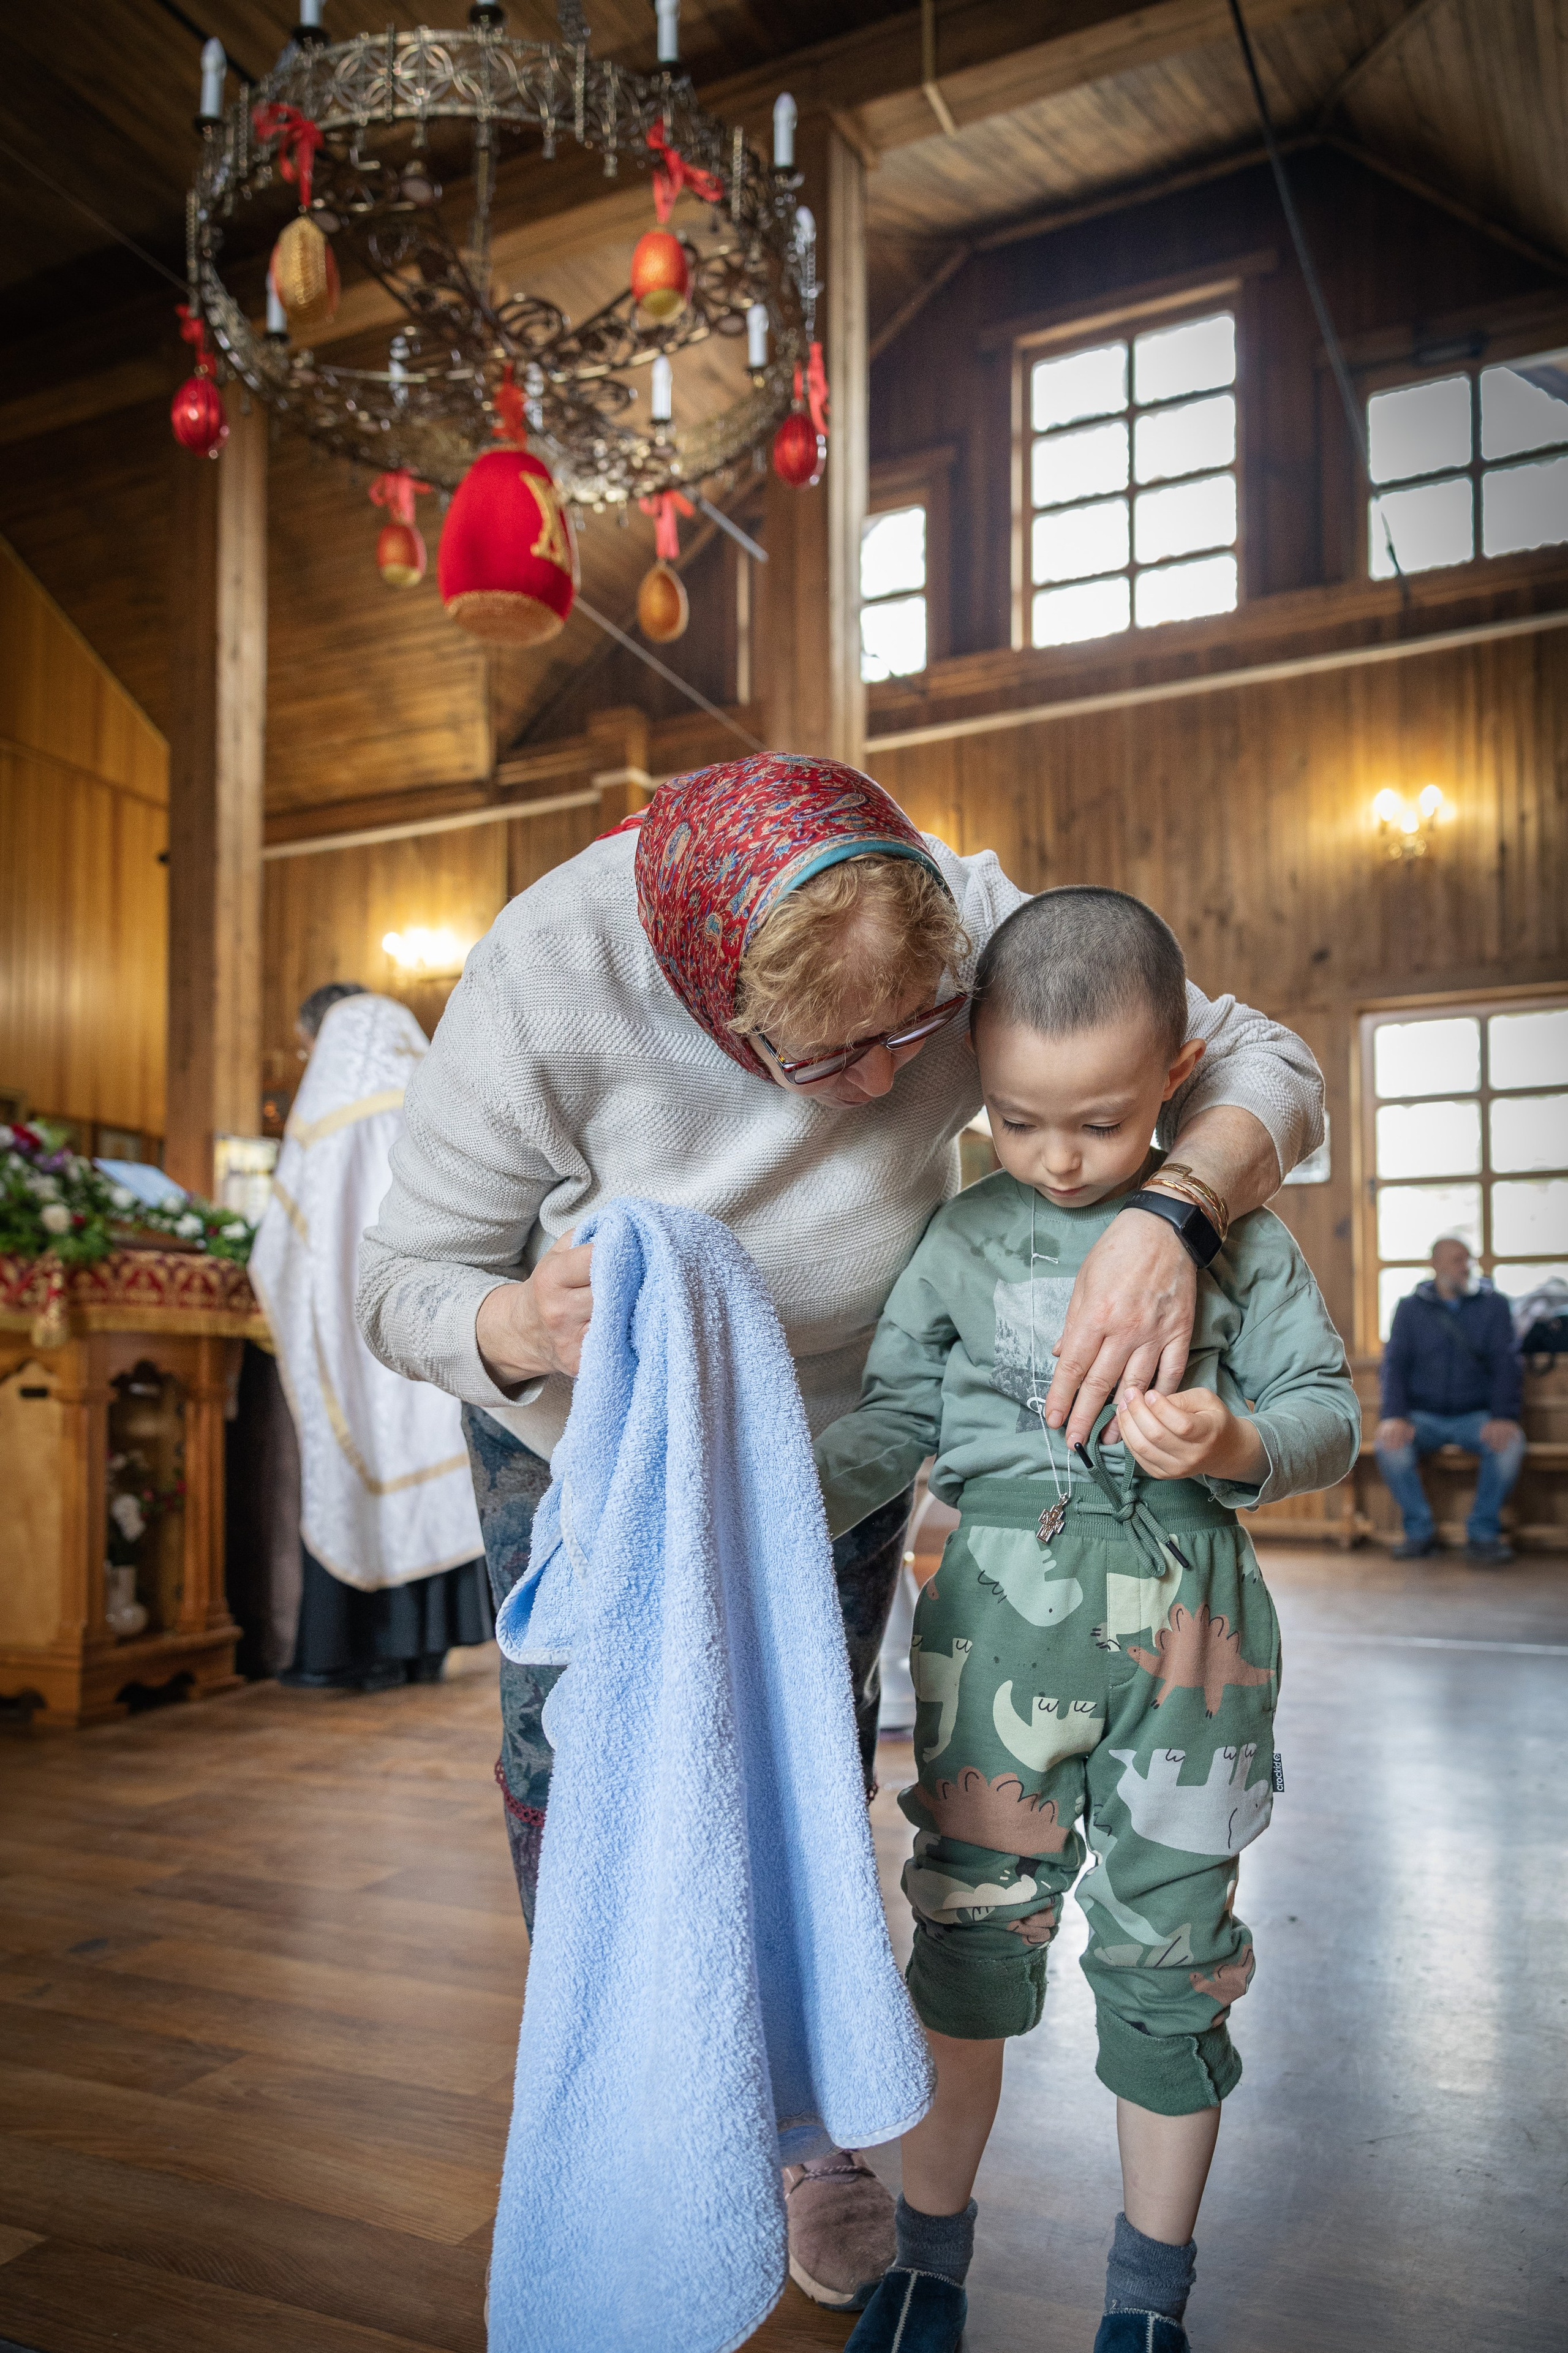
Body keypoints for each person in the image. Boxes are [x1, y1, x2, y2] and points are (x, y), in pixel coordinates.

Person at [356, 755, 1326, 2310]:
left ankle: (811, 2128)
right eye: (827, 1056)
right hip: (600, 1427)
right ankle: (634, 2119)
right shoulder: (547, 974)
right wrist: (513, 1320)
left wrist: (1173, 1213)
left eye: (914, 1036)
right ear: (706, 1003)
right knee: (586, 1771)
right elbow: (396, 1279)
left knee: (808, 1759)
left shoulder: (968, 913)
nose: (888, 1090)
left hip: (847, 1423)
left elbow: (1264, 1056)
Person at [812, 887, 1360, 2353]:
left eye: (1102, 1123)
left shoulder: (1235, 1239)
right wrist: (770, 1491)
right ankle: (927, 2265)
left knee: (1170, 1970)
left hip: (1195, 1658)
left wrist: (1234, 1440)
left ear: (1177, 1073)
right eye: (1015, 1119)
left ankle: (1143, 2303)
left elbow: (1327, 1419)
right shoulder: (953, 1239)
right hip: (987, 1638)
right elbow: (892, 1424)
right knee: (966, 1945)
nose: (1056, 1159)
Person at [249, 987, 494, 1692]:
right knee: (434, 1451)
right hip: (438, 1325)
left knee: (355, 1456)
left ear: (320, 1037)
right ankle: (425, 1646)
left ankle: (344, 1647)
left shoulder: (329, 1113)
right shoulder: (437, 1094)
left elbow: (281, 1249)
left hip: (351, 1332)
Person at [1374, 1236, 1525, 1565]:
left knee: (1511, 1444)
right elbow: (1394, 1366)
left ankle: (1483, 1535)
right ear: (1435, 1264)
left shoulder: (1495, 1305)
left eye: (1467, 1259)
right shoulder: (1409, 1308)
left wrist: (1504, 1416)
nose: (1466, 1266)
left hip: (1477, 1415)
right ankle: (1419, 1533)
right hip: (1422, 1417)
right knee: (1389, 1446)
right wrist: (1395, 1415)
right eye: (1457, 1260)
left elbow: (1506, 1364)